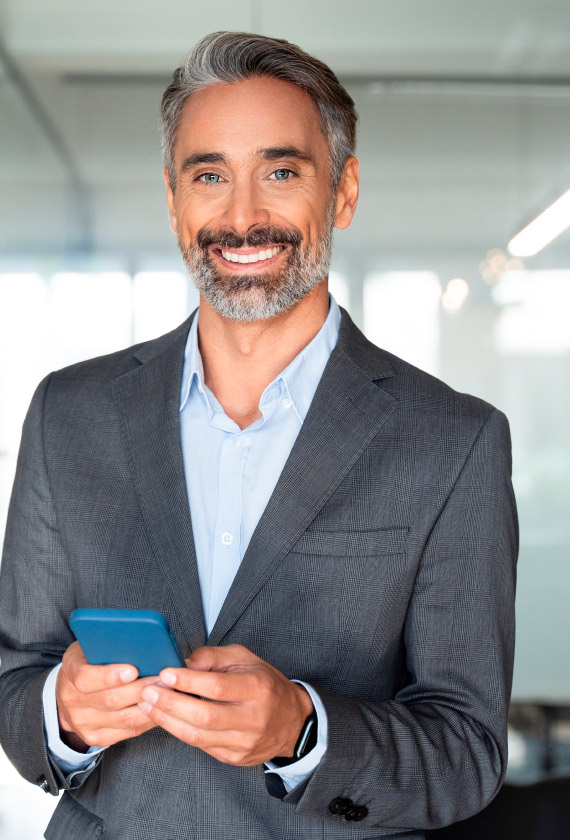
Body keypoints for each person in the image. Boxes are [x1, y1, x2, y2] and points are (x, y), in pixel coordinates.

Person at [0, 31, 518, 840]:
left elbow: (469, 750)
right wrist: (62, 713)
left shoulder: (453, 442)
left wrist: (301, 732)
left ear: (342, 193)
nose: (242, 218)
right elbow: (14, 680)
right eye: (210, 176)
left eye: (281, 172)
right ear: (173, 200)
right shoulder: (70, 415)